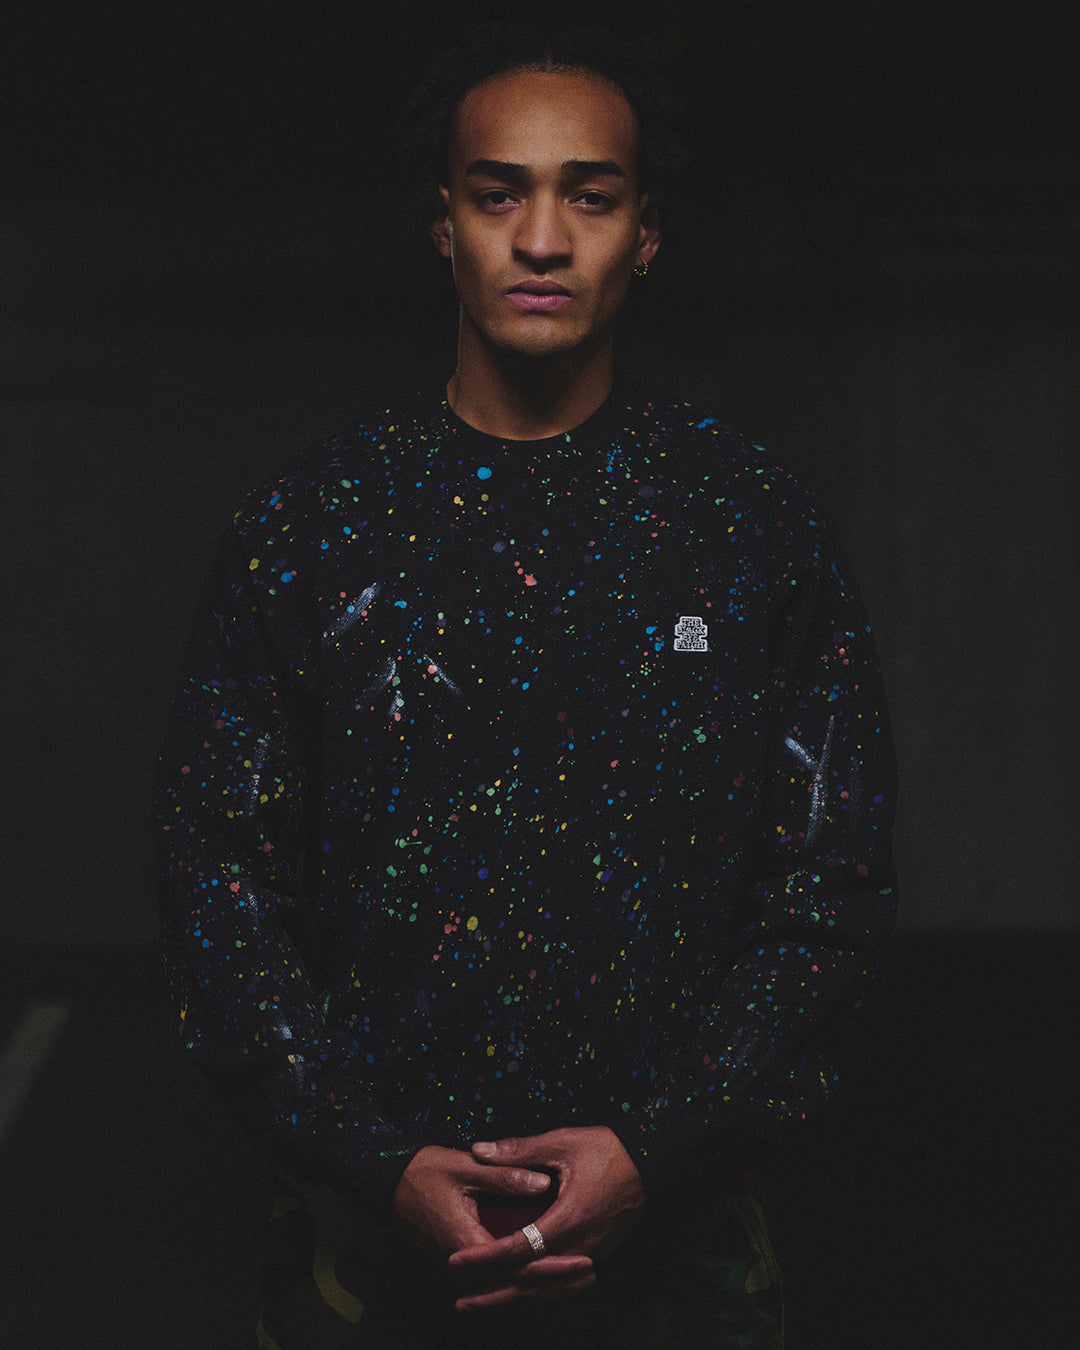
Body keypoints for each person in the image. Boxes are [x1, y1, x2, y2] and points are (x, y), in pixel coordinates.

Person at [153, 25, 897, 1350]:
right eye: (499, 195)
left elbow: (829, 887)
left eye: (588, 197)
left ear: (646, 232)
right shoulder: (309, 529)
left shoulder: (747, 526)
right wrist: (371, 1155)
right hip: (364, 1253)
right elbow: (217, 880)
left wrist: (660, 1147)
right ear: (442, 222)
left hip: (679, 1252)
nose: (542, 239)